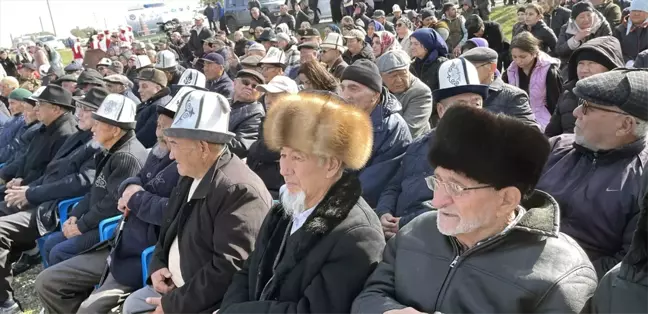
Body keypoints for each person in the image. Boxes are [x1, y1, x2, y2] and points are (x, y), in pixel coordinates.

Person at [353, 104, 598, 314]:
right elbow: (370, 295)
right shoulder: (416, 231)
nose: (437, 201)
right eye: (437, 181)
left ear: (506, 199)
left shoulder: (562, 274)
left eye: (457, 188)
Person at [218, 91, 385, 314]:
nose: (284, 169)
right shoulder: (284, 209)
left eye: (297, 157)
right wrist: (230, 308)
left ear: (331, 165)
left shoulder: (357, 236)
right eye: (283, 155)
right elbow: (248, 271)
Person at [122, 89, 272, 314]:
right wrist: (158, 264)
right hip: (177, 289)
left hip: (204, 304)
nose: (171, 155)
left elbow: (227, 270)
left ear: (202, 146)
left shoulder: (239, 190)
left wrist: (173, 304)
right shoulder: (191, 173)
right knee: (132, 304)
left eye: (174, 143)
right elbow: (170, 225)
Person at [35, 97, 179, 313]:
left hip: (137, 257)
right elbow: (120, 185)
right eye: (158, 125)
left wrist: (133, 198)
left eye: (165, 129)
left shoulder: (168, 163)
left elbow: (165, 211)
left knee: (86, 305)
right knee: (47, 280)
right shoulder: (155, 153)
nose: (158, 133)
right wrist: (77, 215)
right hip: (117, 242)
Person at [536, 68, 648, 278]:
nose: (576, 113)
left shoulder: (643, 180)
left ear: (625, 125)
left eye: (587, 107)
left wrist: (556, 280)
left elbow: (626, 265)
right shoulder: (556, 147)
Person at [42, 93, 148, 266]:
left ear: (115, 130)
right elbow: (95, 190)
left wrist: (80, 226)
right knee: (51, 243)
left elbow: (113, 205)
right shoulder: (110, 149)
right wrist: (75, 215)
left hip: (110, 228)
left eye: (98, 124)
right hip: (95, 220)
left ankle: (75, 291)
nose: (93, 128)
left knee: (58, 251)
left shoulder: (126, 157)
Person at [340, 60, 412, 207]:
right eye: (343, 88)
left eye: (354, 88)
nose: (345, 96)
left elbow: (371, 186)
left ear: (375, 95)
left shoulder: (393, 128)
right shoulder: (342, 118)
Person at [0, 85, 78, 194]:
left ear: (55, 109)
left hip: (33, 190)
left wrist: (22, 182)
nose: (36, 109)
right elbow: (26, 156)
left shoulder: (66, 134)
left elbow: (49, 171)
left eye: (40, 104)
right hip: (22, 183)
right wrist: (17, 177)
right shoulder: (46, 125)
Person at [546, 36, 623, 136]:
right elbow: (551, 133)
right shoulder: (568, 94)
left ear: (609, 67)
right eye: (581, 64)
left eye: (591, 63)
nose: (584, 69)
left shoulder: (621, 99)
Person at [247, 76, 299, 198]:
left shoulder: (296, 123)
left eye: (274, 95)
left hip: (280, 192)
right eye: (267, 95)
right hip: (260, 186)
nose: (268, 100)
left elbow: (268, 150)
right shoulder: (268, 119)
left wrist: (254, 148)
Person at [461, 47, 539, 128]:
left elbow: (531, 133)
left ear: (492, 68)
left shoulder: (513, 96)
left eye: (471, 68)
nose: (467, 73)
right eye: (464, 69)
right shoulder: (460, 93)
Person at [506, 32, 562, 130]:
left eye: (522, 57)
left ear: (534, 53)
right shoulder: (511, 71)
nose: (518, 61)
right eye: (514, 57)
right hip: (517, 119)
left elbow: (556, 103)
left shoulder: (549, 70)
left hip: (544, 121)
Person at [377, 50, 432, 139]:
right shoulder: (378, 89)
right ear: (381, 76)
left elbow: (408, 132)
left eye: (403, 73)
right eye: (392, 76)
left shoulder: (421, 92)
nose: (399, 80)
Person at [409, 28, 449, 126]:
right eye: (411, 43)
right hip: (418, 115)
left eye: (416, 44)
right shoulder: (413, 66)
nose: (412, 47)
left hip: (438, 118)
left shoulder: (442, 64)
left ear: (427, 45)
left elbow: (446, 95)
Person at [556, 2, 612, 71]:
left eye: (589, 15)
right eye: (582, 17)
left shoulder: (603, 26)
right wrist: (575, 39)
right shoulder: (567, 28)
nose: (586, 19)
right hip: (572, 64)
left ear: (593, 14)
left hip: (598, 62)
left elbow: (609, 48)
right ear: (574, 19)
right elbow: (559, 51)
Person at [228, 69, 265, 159]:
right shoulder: (224, 101)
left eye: (254, 86)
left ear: (260, 93)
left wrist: (212, 135)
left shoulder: (256, 113)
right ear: (235, 83)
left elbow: (241, 147)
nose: (249, 87)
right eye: (245, 82)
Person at [135, 68, 172, 148]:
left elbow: (143, 140)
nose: (139, 90)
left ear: (158, 88)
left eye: (144, 86)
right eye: (139, 86)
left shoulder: (159, 107)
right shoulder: (152, 102)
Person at [614, 0, 648, 65]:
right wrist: (628, 62)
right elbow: (615, 50)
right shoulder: (619, 30)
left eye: (640, 11)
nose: (636, 13)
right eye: (634, 10)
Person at [0, 85, 26, 151]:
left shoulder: (25, 122)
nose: (9, 107)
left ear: (24, 104)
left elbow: (13, 148)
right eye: (9, 103)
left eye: (13, 103)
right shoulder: (13, 118)